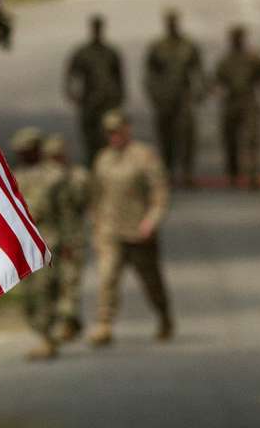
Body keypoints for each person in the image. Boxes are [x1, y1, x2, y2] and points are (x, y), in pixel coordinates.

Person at [88, 110, 174, 347]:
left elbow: (160, 193)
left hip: (138, 232)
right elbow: (96, 196)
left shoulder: (144, 157)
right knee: (107, 277)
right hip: (110, 231)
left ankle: (164, 315)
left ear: (127, 129)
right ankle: (104, 324)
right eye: (109, 132)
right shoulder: (102, 159)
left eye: (118, 131)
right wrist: (96, 225)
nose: (114, 136)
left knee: (151, 281)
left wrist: (151, 220)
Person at [10, 126, 69, 359]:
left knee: (45, 290)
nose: (22, 155)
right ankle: (44, 331)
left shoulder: (54, 176)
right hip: (26, 244)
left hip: (49, 238)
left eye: (26, 151)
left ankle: (48, 337)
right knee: (30, 296)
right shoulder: (17, 177)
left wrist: (69, 243)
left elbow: (66, 213)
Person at [213, 25, 260, 189]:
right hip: (231, 101)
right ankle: (233, 173)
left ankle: (253, 175)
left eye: (239, 37)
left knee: (252, 139)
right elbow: (216, 80)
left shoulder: (254, 59)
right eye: (234, 37)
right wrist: (216, 92)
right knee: (230, 140)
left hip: (249, 101)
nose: (236, 40)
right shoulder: (225, 60)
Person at [143, 8, 205, 188]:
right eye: (169, 22)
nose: (172, 25)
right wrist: (154, 95)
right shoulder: (157, 47)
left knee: (187, 135)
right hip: (164, 98)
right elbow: (149, 73)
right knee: (165, 136)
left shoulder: (188, 46)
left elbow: (198, 69)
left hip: (183, 98)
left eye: (174, 21)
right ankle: (167, 172)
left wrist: (199, 91)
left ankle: (187, 173)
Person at [42, 134, 91, 342]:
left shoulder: (77, 176)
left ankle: (67, 322)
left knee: (70, 281)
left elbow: (85, 200)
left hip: (73, 237)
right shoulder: (43, 177)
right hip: (52, 238)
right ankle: (69, 321)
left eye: (58, 156)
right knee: (53, 282)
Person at [65, 15, 126, 164]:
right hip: (90, 102)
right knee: (90, 138)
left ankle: (108, 168)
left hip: (108, 102)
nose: (97, 31)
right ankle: (92, 166)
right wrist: (72, 94)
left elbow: (119, 77)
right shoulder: (83, 53)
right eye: (95, 28)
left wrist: (119, 97)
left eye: (99, 28)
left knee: (109, 136)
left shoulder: (110, 52)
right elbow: (71, 74)